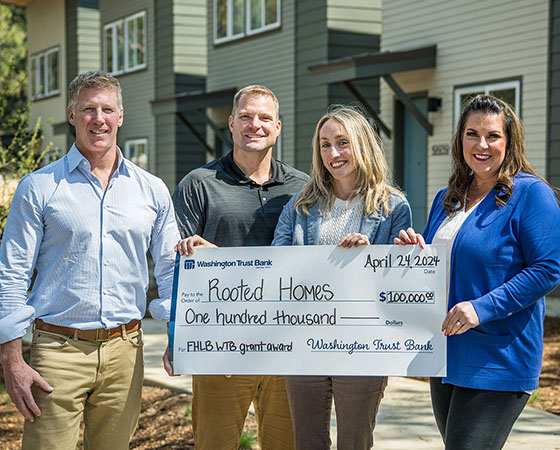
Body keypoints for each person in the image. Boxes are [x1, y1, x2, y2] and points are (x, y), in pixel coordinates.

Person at [0, 71, 179, 450]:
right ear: (71, 114)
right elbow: (11, 274)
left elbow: (170, 269)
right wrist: (12, 360)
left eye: (107, 109)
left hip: (125, 353)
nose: (98, 118)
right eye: (88, 109)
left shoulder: (152, 189)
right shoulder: (40, 187)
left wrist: (179, 336)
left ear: (121, 116)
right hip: (56, 352)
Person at [395, 95, 560, 450]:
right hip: (446, 354)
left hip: (498, 356)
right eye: (472, 134)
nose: (481, 145)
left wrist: (481, 308)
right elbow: (440, 265)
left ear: (509, 142)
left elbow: (548, 269)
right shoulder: (447, 197)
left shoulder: (531, 194)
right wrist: (412, 255)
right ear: (460, 140)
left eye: (493, 136)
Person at [170, 85, 309, 450]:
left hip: (287, 346)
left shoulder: (304, 188)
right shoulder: (198, 185)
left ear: (278, 126)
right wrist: (178, 337)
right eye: (245, 117)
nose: (254, 125)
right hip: (222, 346)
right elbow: (179, 270)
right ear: (231, 124)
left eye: (264, 118)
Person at [272, 105, 412, 450]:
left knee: (355, 442)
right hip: (304, 340)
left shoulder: (393, 207)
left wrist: (371, 257)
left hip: (362, 344)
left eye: (342, 142)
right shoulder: (299, 205)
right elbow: (275, 263)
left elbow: (400, 282)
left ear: (362, 144)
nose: (332, 153)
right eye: (324, 144)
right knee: (307, 441)